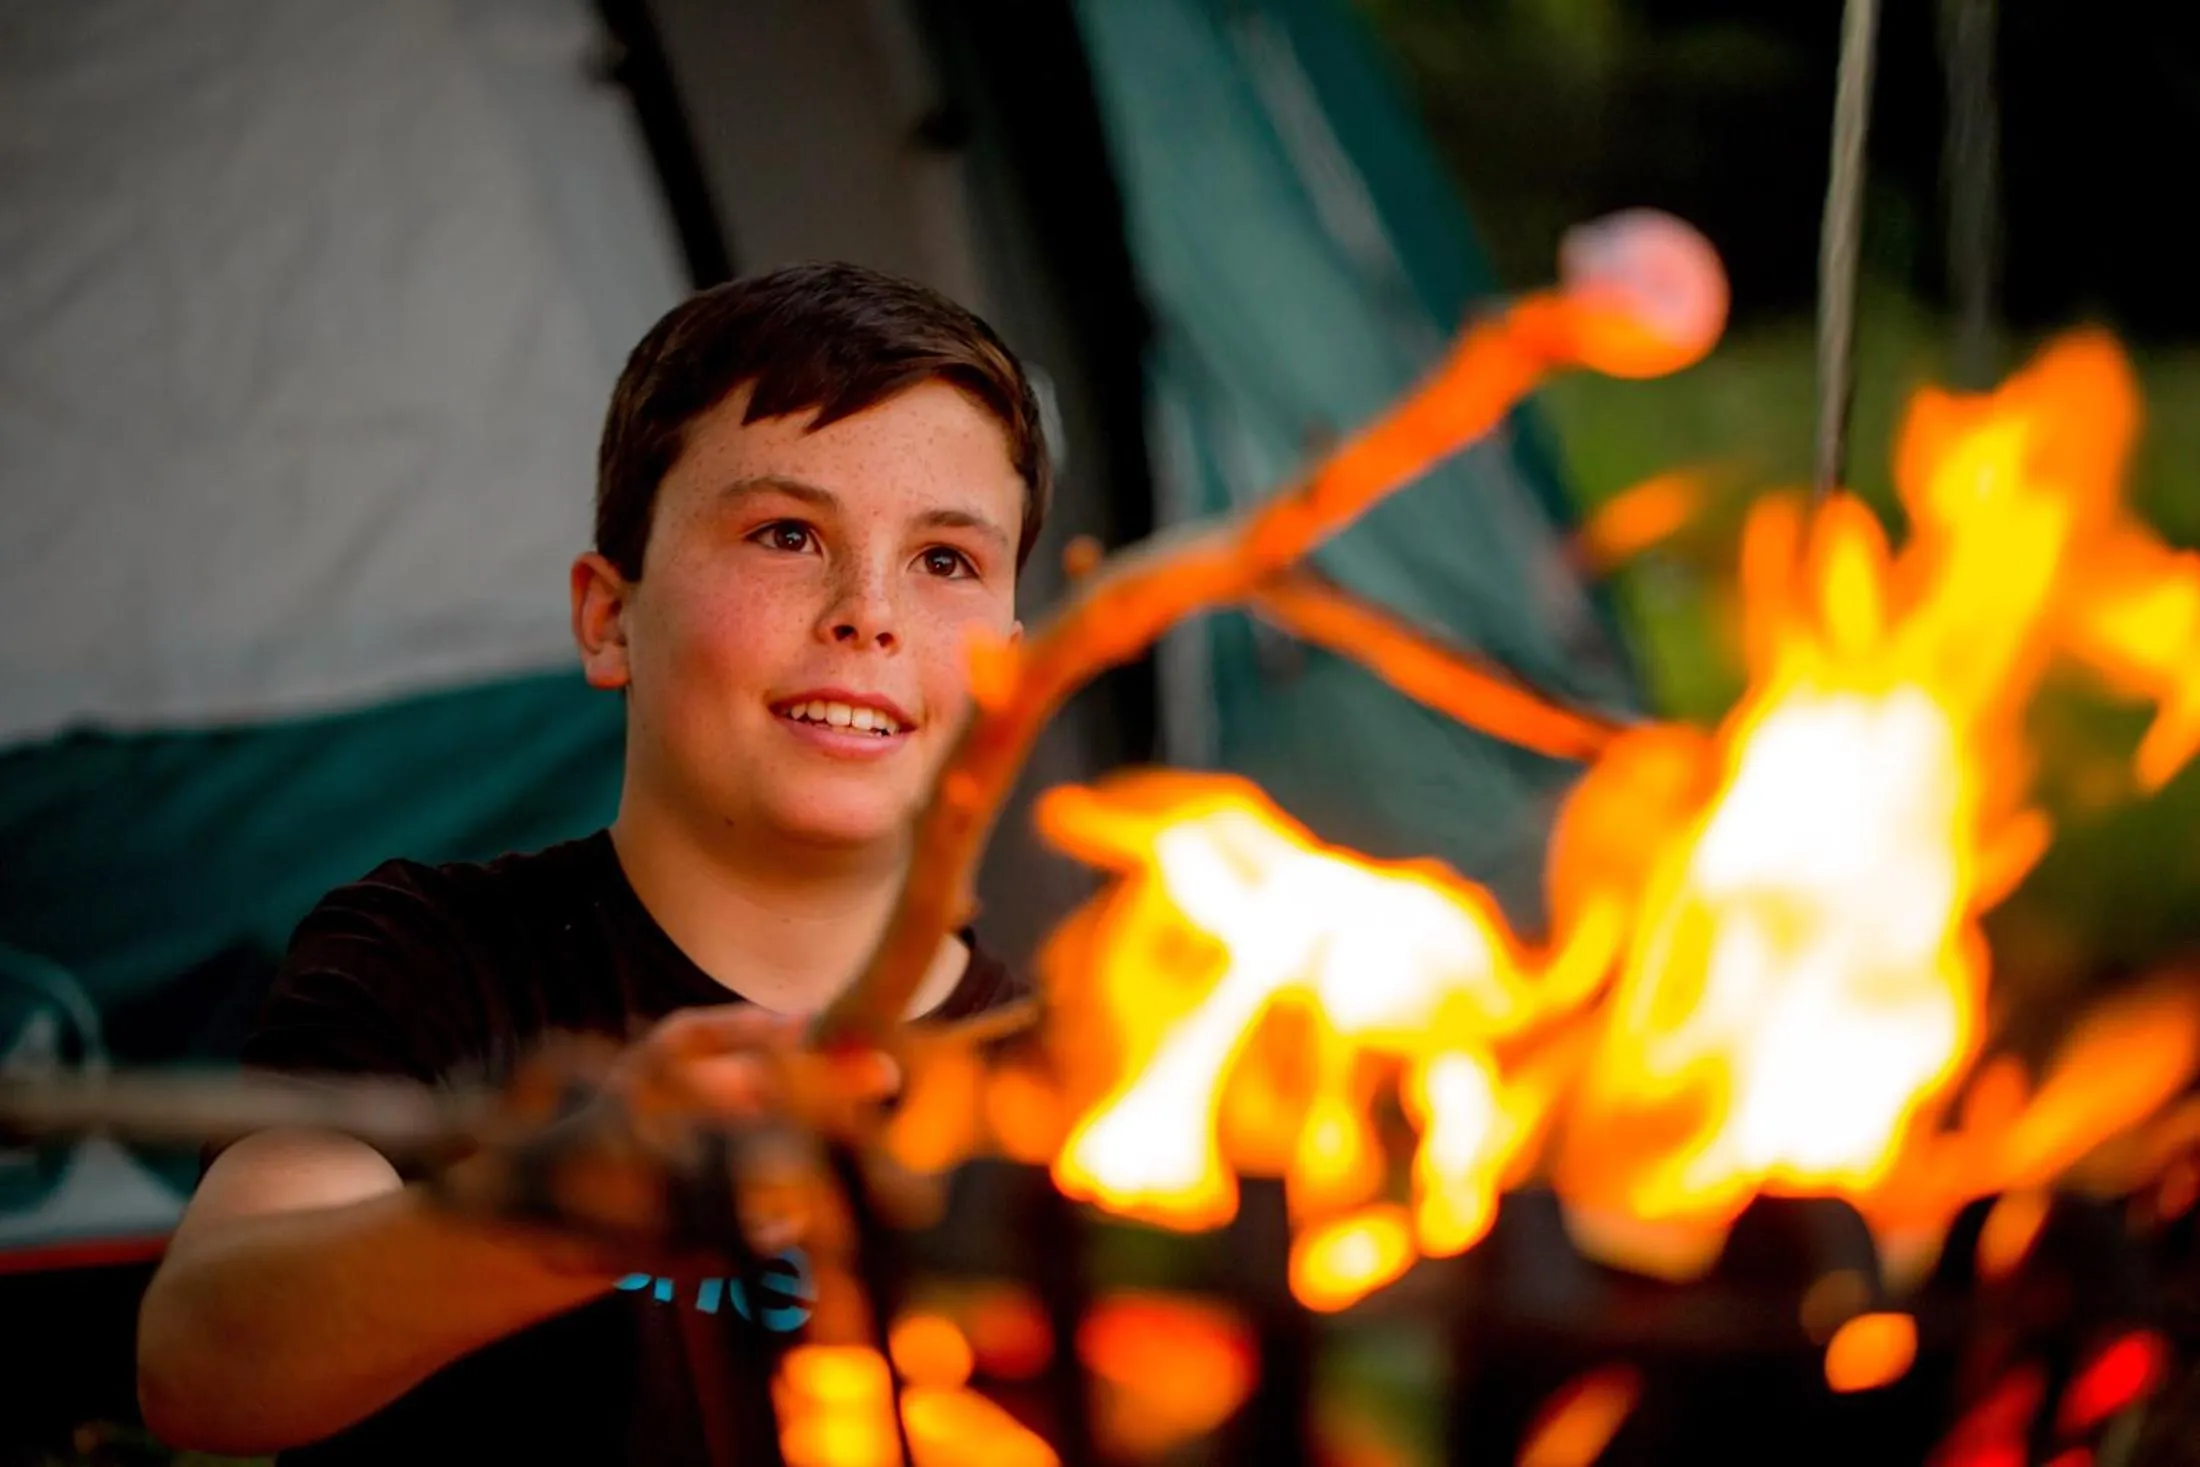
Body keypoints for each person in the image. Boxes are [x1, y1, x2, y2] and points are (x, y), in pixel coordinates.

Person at [135, 262, 1047, 1464]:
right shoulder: (430, 961)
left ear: (1013, 677)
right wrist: (564, 1214)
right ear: (608, 619)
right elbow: (206, 1364)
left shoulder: (1103, 1089)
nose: (866, 612)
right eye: (786, 534)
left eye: (944, 562)